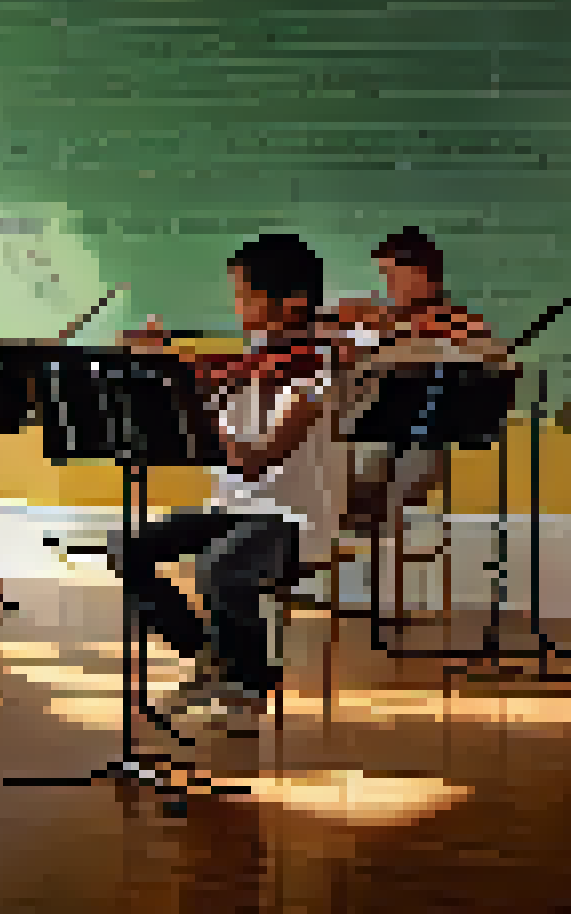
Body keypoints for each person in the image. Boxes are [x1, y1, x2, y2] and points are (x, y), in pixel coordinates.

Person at [116, 234, 339, 734]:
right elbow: (216, 395)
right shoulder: (254, 360)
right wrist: (163, 374)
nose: (237, 307)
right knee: (125, 547)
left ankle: (248, 685)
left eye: (246, 297)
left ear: (294, 304)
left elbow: (260, 460)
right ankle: (212, 657)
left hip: (292, 519)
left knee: (219, 566)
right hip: (232, 512)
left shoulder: (314, 368)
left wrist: (189, 400)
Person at [327, 227, 504, 536]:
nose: (388, 284)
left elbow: (490, 354)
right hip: (361, 436)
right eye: (384, 275)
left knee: (378, 493)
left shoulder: (457, 322)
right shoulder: (372, 313)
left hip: (412, 436)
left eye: (394, 275)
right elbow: (314, 328)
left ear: (423, 274)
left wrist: (399, 344)